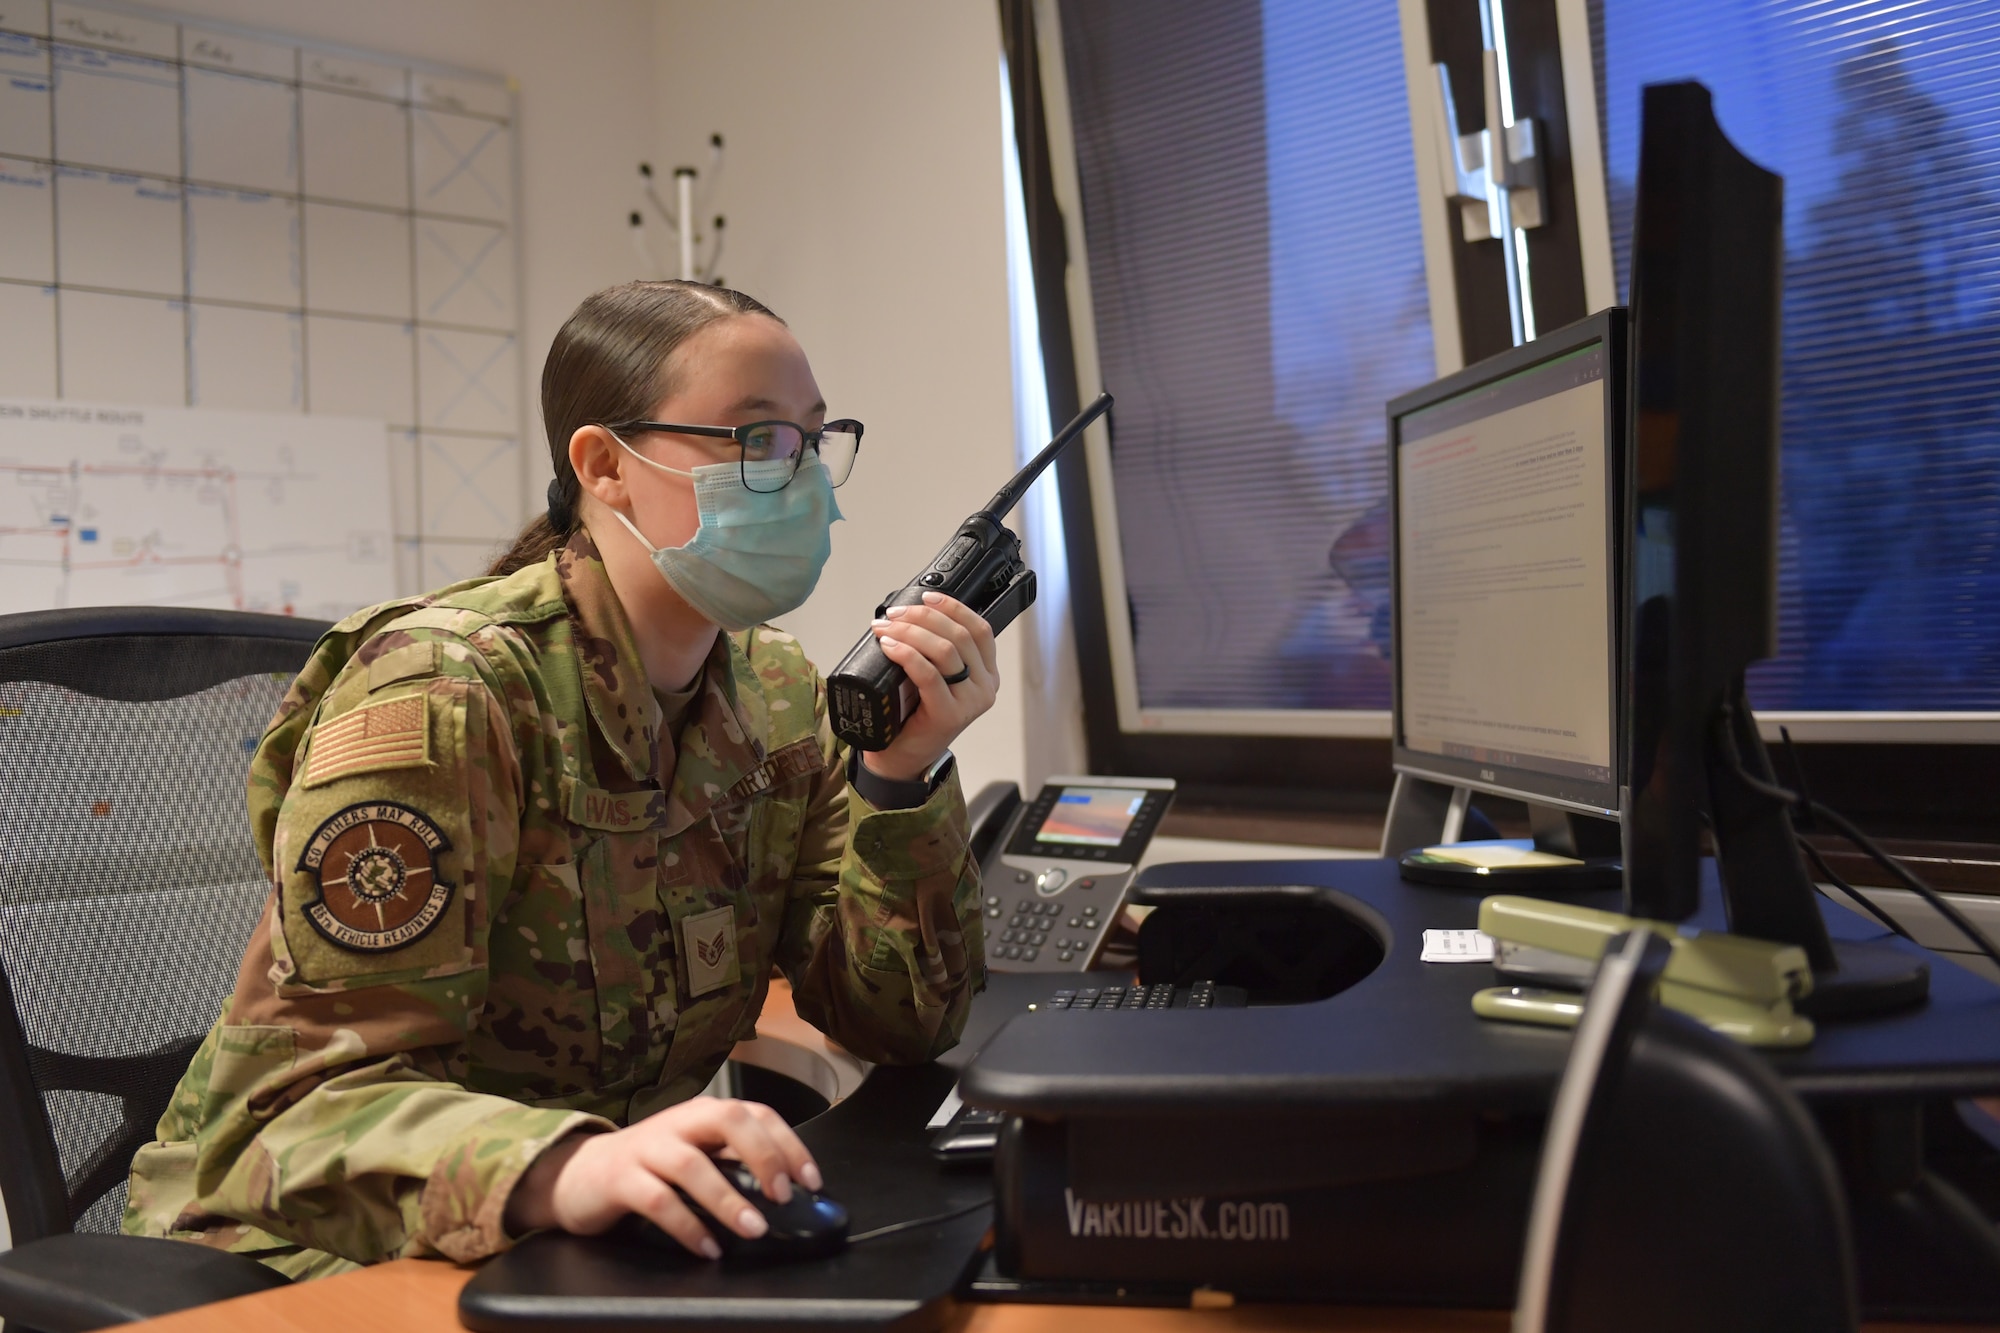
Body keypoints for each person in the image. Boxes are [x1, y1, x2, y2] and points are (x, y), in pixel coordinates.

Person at [122, 281, 994, 1278]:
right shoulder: (446, 692)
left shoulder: (779, 695)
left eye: (811, 438)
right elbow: (305, 1109)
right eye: (756, 443)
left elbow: (898, 1022)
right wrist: (570, 1165)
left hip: (575, 1240)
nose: (805, 484)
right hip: (308, 1248)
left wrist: (900, 773)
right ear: (605, 465)